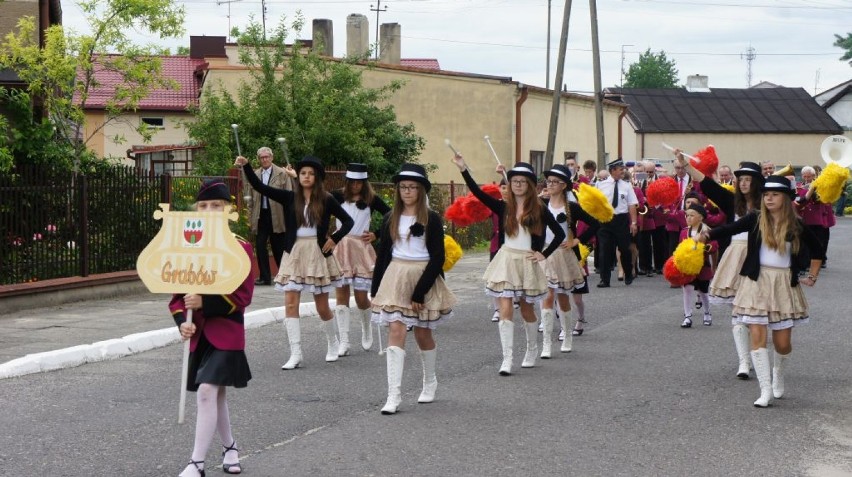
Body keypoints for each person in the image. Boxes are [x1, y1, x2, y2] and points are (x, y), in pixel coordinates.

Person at [699, 176, 824, 407]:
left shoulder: (796, 224)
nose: (769, 198)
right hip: (756, 282)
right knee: (758, 334)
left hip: (784, 283)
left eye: (775, 194)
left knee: (783, 343)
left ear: (786, 199)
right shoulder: (755, 219)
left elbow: (818, 250)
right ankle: (765, 389)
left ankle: (778, 373)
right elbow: (730, 227)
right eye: (766, 195)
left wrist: (812, 276)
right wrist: (708, 234)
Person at [235, 154, 354, 368]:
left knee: (322, 306)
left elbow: (348, 221)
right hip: (294, 251)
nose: (307, 177)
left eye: (311, 174)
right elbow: (260, 187)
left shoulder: (326, 199)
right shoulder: (290, 197)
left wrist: (334, 239)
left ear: (317, 177)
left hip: (317, 253)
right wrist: (247, 166)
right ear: (298, 176)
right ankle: (295, 353)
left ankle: (332, 342)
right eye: (303, 173)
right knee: (290, 302)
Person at [452, 154, 565, 375]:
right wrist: (464, 168)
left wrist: (543, 253)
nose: (519, 185)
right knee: (505, 307)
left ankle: (532, 350)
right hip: (506, 259)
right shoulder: (503, 207)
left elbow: (560, 233)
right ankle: (507, 359)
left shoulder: (540, 208)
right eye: (515, 181)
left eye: (523, 182)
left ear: (530, 185)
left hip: (527, 261)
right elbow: (477, 193)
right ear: (510, 184)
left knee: (526, 308)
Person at [171, 180, 254, 477]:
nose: (209, 211)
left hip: (227, 332)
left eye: (216, 206)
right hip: (200, 335)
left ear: (228, 210)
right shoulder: (187, 246)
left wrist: (205, 302)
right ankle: (230, 447)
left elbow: (243, 296)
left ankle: (197, 463)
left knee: (207, 391)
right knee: (215, 395)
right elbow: (177, 298)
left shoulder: (240, 246)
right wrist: (183, 322)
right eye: (203, 206)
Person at [371, 163, 457, 414]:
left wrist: (419, 291)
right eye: (403, 187)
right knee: (396, 329)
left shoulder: (431, 218)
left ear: (421, 191)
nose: (407, 191)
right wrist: (376, 289)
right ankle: (393, 395)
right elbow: (383, 255)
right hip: (395, 275)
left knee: (422, 333)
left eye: (412, 187)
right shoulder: (390, 217)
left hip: (422, 276)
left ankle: (429, 381)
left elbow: (438, 257)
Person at [676, 153, 764, 379]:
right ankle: (743, 361)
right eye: (740, 179)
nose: (743, 183)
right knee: (737, 310)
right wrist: (686, 164)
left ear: (756, 182)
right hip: (734, 255)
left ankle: (757, 354)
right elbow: (707, 185)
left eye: (748, 179)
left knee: (755, 312)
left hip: (759, 256)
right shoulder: (731, 200)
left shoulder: (767, 202)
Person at [539, 164, 599, 357]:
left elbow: (595, 223)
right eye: (549, 181)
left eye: (555, 182)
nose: (551, 184)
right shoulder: (541, 205)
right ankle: (546, 342)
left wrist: (577, 240)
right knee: (547, 297)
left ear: (564, 185)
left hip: (564, 255)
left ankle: (567, 336)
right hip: (545, 254)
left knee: (563, 298)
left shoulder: (571, 207)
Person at [330, 163, 391, 355]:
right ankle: (344, 341)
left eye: (360, 182)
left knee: (361, 296)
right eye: (353, 182)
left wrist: (377, 234)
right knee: (341, 294)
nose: (356, 185)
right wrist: (326, 235)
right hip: (340, 246)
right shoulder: (335, 196)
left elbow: (392, 215)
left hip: (360, 247)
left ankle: (366, 329)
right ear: (347, 182)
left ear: (365, 183)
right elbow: (318, 212)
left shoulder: (371, 199)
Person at [243, 147, 295, 286]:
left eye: (267, 157)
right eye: (262, 157)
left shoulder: (282, 173)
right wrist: (250, 216)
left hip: (277, 216)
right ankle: (265, 277)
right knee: (260, 246)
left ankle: (284, 275)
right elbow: (251, 199)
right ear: (259, 159)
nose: (265, 159)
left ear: (272, 158)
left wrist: (289, 217)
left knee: (278, 247)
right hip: (261, 215)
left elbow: (289, 195)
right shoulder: (255, 174)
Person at [594, 158, 638, 288]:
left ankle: (628, 273)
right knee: (605, 250)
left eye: (623, 169)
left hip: (621, 220)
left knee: (624, 249)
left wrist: (634, 222)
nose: (623, 171)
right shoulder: (600, 185)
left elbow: (631, 205)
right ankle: (604, 279)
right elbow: (595, 203)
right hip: (606, 220)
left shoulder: (627, 185)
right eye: (620, 169)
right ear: (612, 171)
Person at [678, 203, 716, 328]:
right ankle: (687, 316)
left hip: (702, 265)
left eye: (692, 215)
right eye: (687, 215)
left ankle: (707, 312)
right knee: (687, 289)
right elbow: (679, 248)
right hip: (688, 267)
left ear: (700, 217)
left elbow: (715, 246)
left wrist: (704, 247)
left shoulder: (707, 231)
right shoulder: (684, 232)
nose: (688, 218)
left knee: (703, 291)